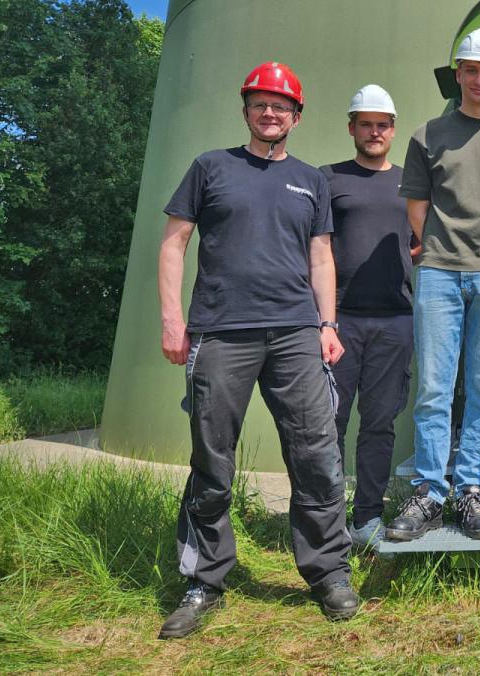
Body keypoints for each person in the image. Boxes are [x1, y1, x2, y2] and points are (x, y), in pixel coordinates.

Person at [156, 62, 357, 639]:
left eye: (281, 105)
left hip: (296, 331)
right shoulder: (210, 168)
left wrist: (327, 323)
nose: (271, 112)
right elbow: (174, 245)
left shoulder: (310, 180)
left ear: (296, 115)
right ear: (246, 110)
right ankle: (204, 580)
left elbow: (321, 257)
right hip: (221, 332)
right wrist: (175, 321)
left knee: (317, 451)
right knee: (211, 456)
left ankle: (328, 573)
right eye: (260, 103)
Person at [387, 28, 480, 541]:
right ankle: (428, 493)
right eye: (472, 70)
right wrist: (445, 251)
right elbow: (417, 209)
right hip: (440, 272)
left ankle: (469, 490)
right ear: (459, 75)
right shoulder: (427, 135)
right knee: (435, 388)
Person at [321, 84, 415, 552]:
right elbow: (313, 248)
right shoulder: (328, 179)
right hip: (339, 321)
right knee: (329, 422)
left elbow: (420, 240)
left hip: (396, 320)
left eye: (382, 124)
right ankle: (328, 519)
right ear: (352, 128)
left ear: (392, 130)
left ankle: (369, 516)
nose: (374, 132)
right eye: (366, 124)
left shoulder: (408, 183)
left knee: (379, 424)